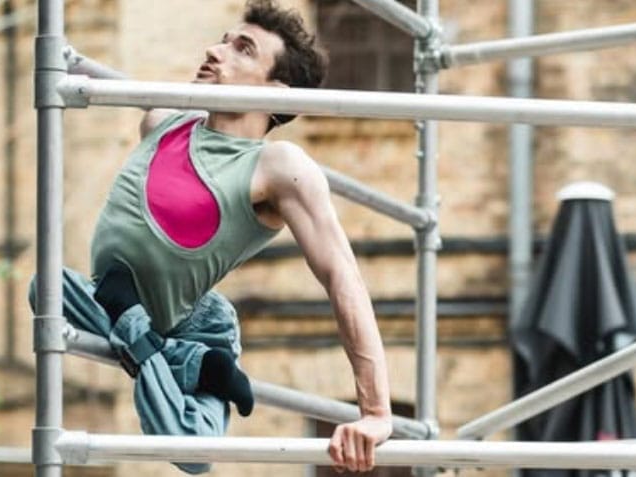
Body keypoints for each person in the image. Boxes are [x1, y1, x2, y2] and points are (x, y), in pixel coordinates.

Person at [30, 0, 392, 473]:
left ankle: (143, 335)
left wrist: (377, 413)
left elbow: (342, 275)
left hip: (188, 317)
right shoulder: (163, 119)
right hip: (112, 301)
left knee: (196, 456)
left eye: (242, 49)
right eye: (223, 39)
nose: (215, 50)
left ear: (276, 90)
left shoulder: (278, 167)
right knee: (45, 288)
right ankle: (182, 360)